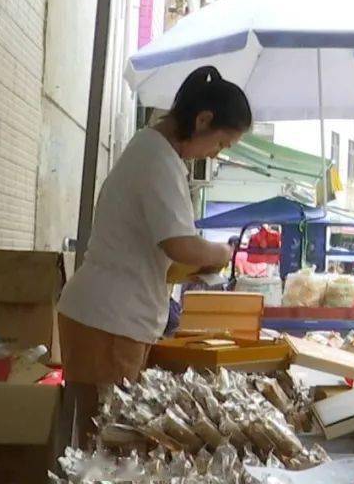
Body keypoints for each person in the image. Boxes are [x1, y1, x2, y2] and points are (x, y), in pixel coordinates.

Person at [56, 65, 252, 446]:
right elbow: (179, 244)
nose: (214, 154)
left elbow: (151, 250)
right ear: (203, 120)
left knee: (102, 438)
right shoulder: (157, 159)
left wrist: (189, 270)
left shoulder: (154, 152)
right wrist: (221, 251)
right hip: (110, 321)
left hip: (108, 316)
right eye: (220, 144)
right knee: (107, 445)